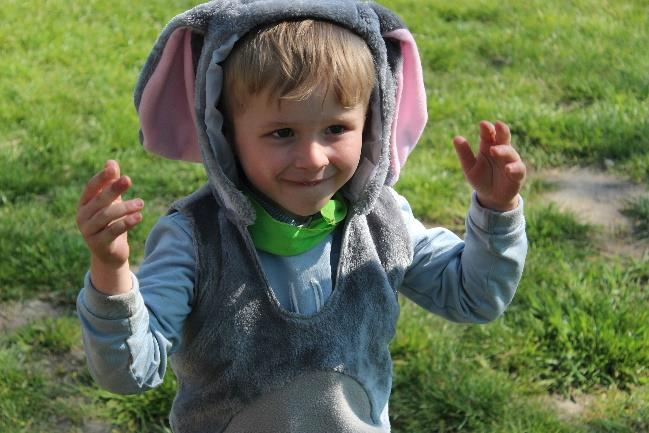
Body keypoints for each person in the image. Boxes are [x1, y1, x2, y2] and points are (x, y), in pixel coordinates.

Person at [75, 1, 527, 432]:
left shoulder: (383, 223)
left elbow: (474, 297)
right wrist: (111, 273)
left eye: (336, 129)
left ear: (371, 123)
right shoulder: (195, 240)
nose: (312, 159)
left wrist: (496, 211)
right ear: (225, 134)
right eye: (282, 132)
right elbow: (131, 370)